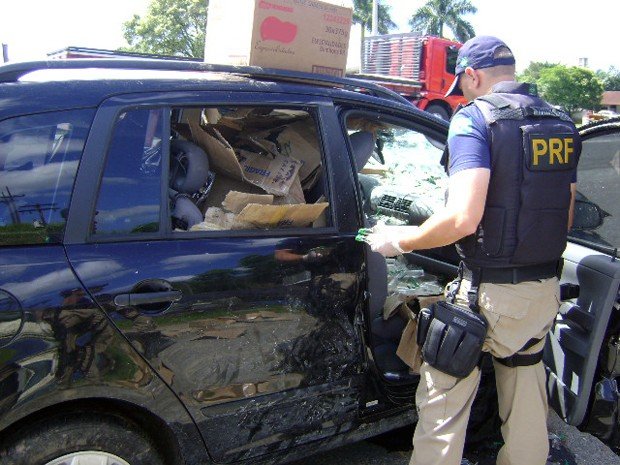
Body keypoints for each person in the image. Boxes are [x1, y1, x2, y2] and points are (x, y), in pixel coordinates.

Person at [360, 36, 580, 465]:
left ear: (474, 75)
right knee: (526, 402)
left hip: (487, 295)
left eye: (462, 83)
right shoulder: (560, 123)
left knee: (442, 406)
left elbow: (462, 219)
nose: (462, 92)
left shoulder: (474, 119)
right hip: (541, 292)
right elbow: (566, 214)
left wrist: (399, 240)